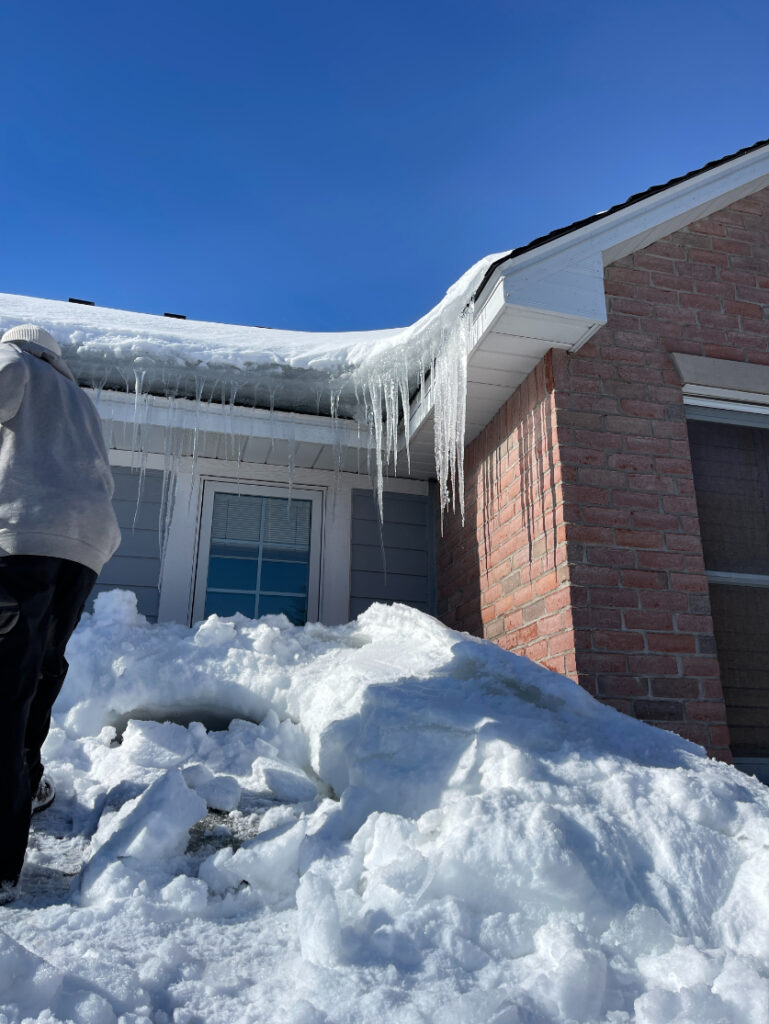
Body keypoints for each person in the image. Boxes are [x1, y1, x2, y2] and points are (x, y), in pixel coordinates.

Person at [0, 324, 121, 903]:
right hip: (83, 547)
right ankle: (26, 782)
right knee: (37, 671)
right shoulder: (78, 397)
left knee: (2, 688)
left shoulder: (12, 363)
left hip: (22, 536)